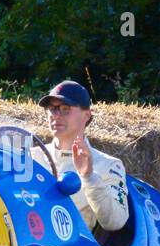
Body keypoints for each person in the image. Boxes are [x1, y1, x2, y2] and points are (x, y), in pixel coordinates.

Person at [32, 80, 129, 234]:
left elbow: (115, 222)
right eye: (52, 109)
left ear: (87, 115)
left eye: (65, 109)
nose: (56, 115)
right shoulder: (30, 158)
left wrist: (89, 177)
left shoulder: (107, 165)